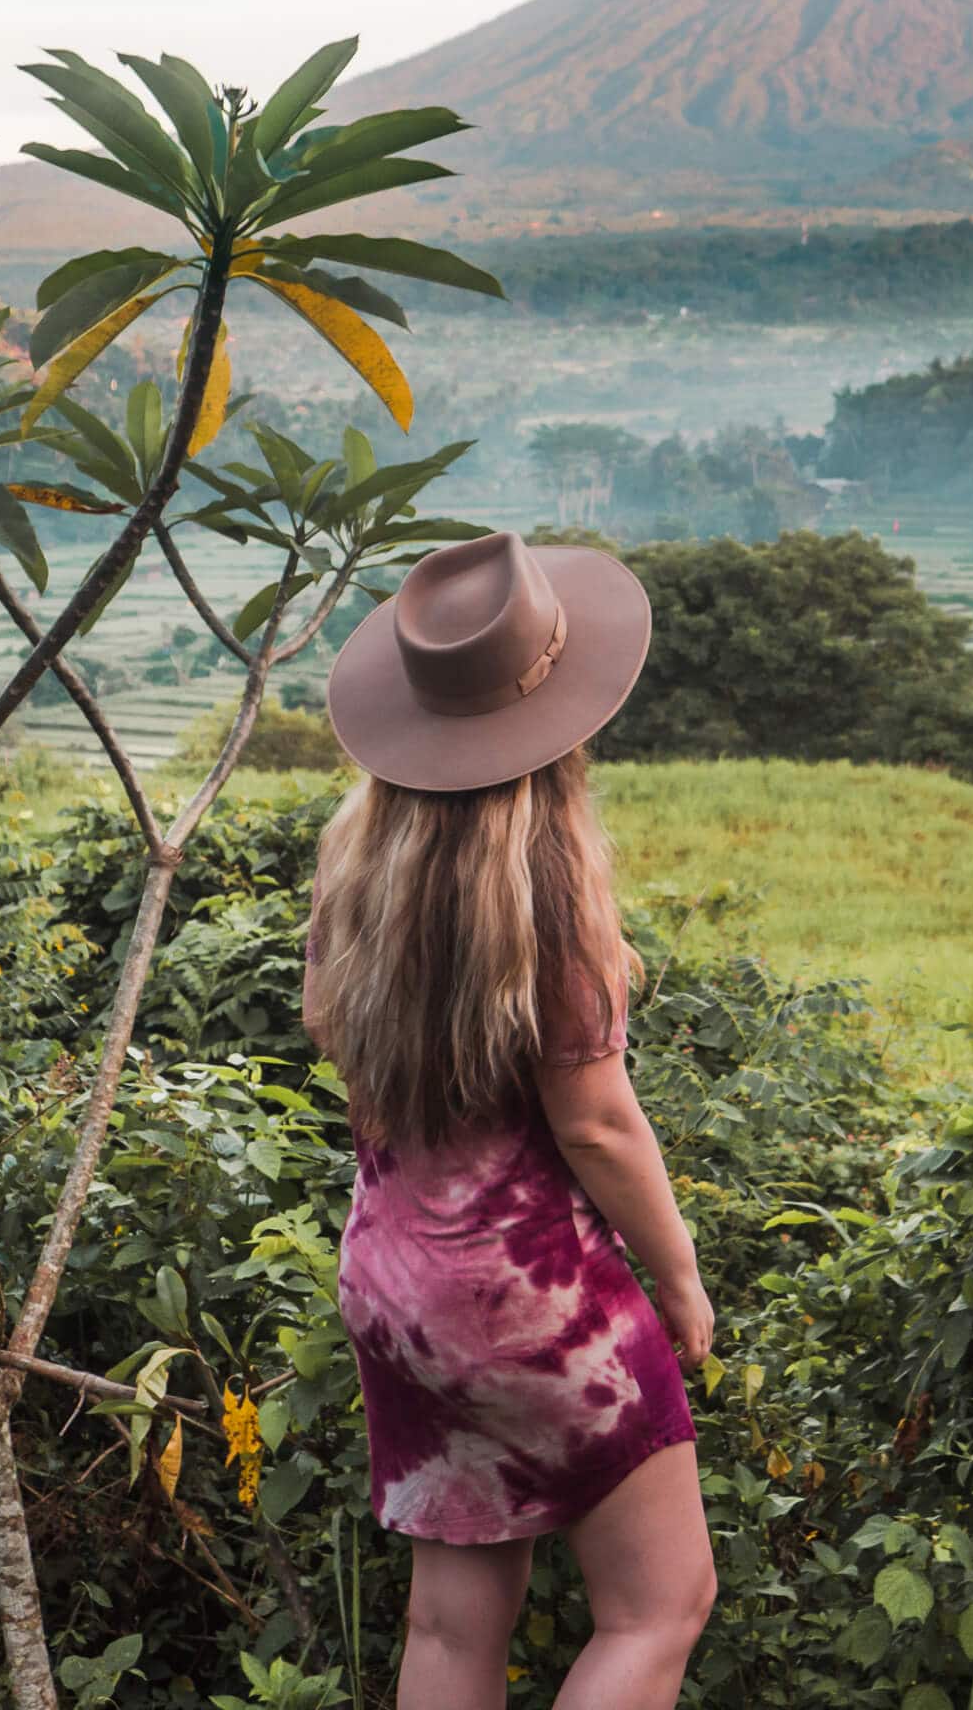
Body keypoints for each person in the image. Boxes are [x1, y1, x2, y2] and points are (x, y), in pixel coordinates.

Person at [303, 530, 717, 1710]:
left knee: (451, 1627)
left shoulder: (356, 867)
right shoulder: (549, 885)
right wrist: (679, 1280)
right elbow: (596, 1124)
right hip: (533, 1300)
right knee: (659, 1604)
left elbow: (332, 1032)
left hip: (394, 1281)